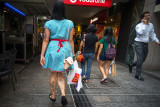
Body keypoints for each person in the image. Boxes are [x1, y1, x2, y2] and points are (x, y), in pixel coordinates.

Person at [40, 0, 75, 106]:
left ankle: (53, 96)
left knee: (53, 73)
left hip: (53, 50)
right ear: (64, 10)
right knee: (61, 74)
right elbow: (71, 40)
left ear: (54, 10)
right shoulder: (70, 23)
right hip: (65, 49)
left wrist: (42, 54)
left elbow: (46, 40)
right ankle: (63, 95)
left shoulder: (49, 23)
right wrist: (73, 54)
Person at [128, 11, 160, 81]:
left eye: (148, 15)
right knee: (140, 59)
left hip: (145, 44)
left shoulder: (151, 25)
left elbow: (152, 34)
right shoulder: (139, 26)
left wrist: (157, 41)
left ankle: (131, 65)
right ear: (143, 17)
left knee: (143, 59)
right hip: (138, 43)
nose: (147, 17)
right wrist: (145, 25)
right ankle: (137, 75)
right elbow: (140, 33)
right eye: (146, 16)